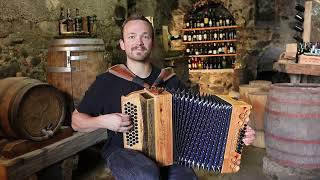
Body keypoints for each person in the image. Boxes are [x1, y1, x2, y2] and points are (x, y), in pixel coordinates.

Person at [71, 14, 255, 180]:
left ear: (152, 42)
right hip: (122, 152)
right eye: (132, 37)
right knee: (147, 175)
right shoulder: (107, 81)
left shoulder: (170, 80)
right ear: (122, 44)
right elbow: (76, 121)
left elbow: (201, 119)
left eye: (145, 36)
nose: (139, 42)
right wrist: (104, 121)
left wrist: (238, 133)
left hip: (169, 152)